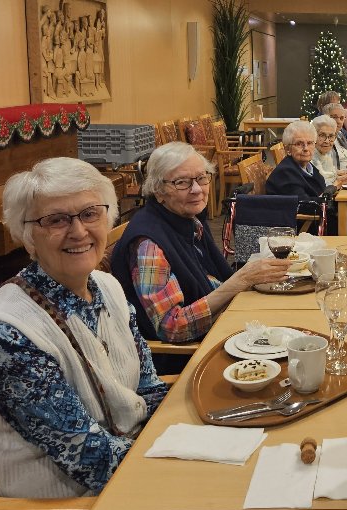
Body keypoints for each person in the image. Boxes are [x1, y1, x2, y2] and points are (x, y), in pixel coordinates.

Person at [0, 158, 347, 510]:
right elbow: (90, 457)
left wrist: (227, 425)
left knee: (272, 471)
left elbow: (142, 392)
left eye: (90, 214)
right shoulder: (10, 331)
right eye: (54, 220)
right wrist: (203, 471)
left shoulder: (105, 288)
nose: (78, 231)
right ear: (25, 234)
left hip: (127, 473)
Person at [110, 142, 290, 371]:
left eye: (202, 178)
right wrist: (240, 281)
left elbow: (207, 279)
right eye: (182, 182)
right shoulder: (148, 245)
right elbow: (172, 326)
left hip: (219, 331)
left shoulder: (188, 221)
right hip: (189, 360)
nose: (197, 189)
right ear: (158, 191)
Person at [310, 114, 347, 186]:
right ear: (313, 136)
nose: (327, 141)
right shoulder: (309, 156)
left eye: (331, 136)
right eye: (322, 135)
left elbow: (328, 174)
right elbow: (320, 185)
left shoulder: (328, 152)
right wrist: (338, 179)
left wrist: (340, 173)